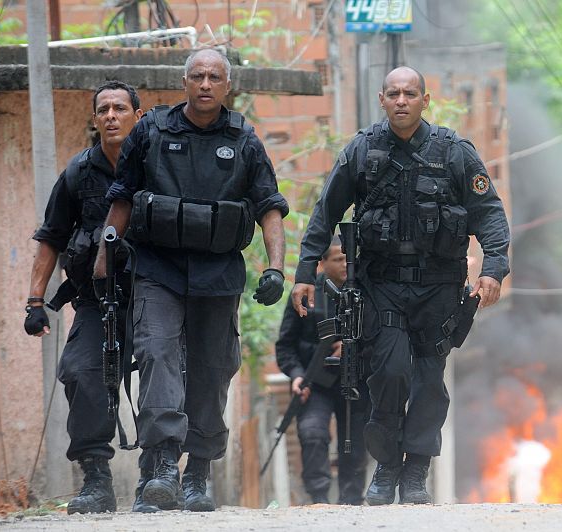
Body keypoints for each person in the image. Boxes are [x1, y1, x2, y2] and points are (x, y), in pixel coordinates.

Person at [291, 66, 510, 505]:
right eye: (394, 93)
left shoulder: (454, 153)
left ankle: (415, 471)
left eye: (411, 93)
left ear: (425, 100)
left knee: (429, 381)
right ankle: (387, 466)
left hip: (439, 289)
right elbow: (325, 212)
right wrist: (304, 273)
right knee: (389, 374)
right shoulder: (362, 150)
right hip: (382, 287)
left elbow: (487, 211)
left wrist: (494, 267)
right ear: (382, 99)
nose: (402, 101)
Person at [93, 47, 288, 513]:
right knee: (156, 352)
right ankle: (161, 467)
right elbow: (122, 196)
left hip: (218, 272)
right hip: (157, 267)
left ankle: (197, 471)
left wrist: (276, 267)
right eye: (197, 75)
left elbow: (270, 207)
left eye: (214, 77)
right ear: (185, 83)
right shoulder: (151, 132)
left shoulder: (245, 142)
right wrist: (104, 258)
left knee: (211, 368)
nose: (204, 84)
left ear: (227, 86)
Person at [24, 80, 144, 514]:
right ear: (95, 120)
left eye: (120, 108)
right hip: (98, 298)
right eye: (103, 110)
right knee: (79, 370)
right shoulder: (79, 172)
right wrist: (35, 302)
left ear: (138, 115)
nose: (111, 116)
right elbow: (51, 237)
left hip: (156, 293)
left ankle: (162, 474)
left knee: (169, 371)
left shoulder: (158, 165)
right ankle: (96, 479)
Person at [275, 237, 370, 505]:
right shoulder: (305, 293)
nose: (345, 265)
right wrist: (296, 375)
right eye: (338, 259)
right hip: (315, 382)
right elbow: (285, 346)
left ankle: (351, 500)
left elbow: (379, 340)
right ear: (322, 263)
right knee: (313, 432)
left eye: (347, 259)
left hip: (355, 381)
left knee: (354, 441)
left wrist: (354, 351)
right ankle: (319, 499)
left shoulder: (365, 292)